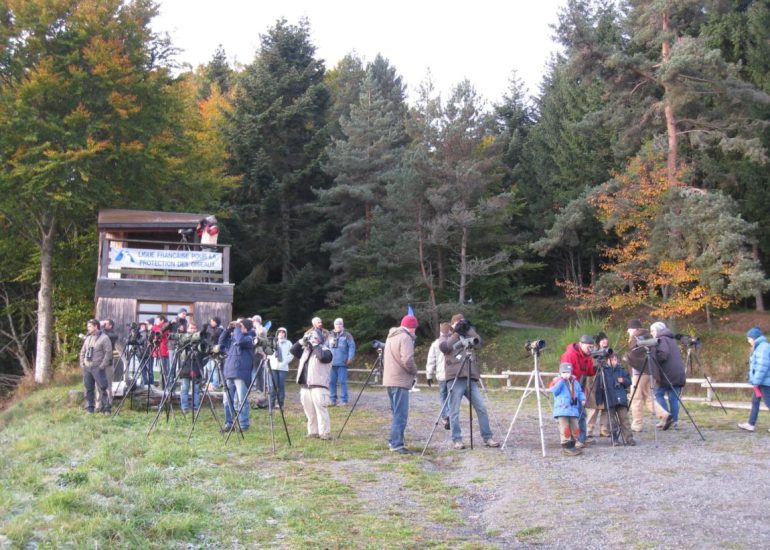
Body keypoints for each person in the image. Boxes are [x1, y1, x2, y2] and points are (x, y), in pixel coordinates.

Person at [440, 314, 500, 450]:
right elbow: (445, 348)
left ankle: (487, 437)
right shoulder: (446, 335)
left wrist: (468, 329)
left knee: (482, 408)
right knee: (454, 411)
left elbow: (480, 343)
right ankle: (457, 439)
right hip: (455, 377)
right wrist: (456, 333)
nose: (461, 324)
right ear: (453, 324)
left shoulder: (468, 334)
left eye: (463, 322)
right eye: (459, 323)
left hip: (470, 376)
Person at [383, 314, 419, 454]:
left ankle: (394, 440)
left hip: (389, 379)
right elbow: (408, 360)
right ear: (411, 328)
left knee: (396, 412)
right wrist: (415, 371)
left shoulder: (391, 336)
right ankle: (396, 444)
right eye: (415, 328)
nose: (415, 331)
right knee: (401, 414)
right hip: (400, 380)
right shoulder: (405, 338)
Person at [291, 325, 333, 440]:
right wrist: (301, 341)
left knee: (321, 411)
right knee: (309, 412)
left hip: (319, 386)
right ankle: (313, 432)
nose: (311, 338)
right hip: (305, 386)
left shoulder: (326, 351)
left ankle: (324, 433)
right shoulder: (306, 351)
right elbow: (293, 350)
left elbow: (323, 358)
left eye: (314, 336)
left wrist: (315, 344)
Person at [623, 319, 666, 432]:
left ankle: (637, 424)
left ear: (635, 329)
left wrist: (627, 357)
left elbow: (635, 354)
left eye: (630, 328)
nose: (628, 331)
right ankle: (665, 415)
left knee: (636, 398)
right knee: (648, 398)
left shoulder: (637, 337)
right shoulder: (647, 336)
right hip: (650, 372)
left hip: (639, 373)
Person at [219, 318, 256, 432]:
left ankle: (243, 424)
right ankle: (229, 424)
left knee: (242, 400)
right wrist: (227, 329)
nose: (238, 328)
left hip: (241, 373)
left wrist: (237, 328)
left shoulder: (250, 338)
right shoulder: (233, 338)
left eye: (241, 326)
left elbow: (240, 340)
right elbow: (221, 341)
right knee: (227, 401)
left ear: (246, 328)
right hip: (229, 372)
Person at [559, 335, 596, 448]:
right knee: (575, 414)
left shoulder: (587, 356)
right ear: (581, 344)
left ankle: (581, 437)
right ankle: (576, 439)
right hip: (569, 388)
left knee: (581, 414)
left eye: (592, 347)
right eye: (589, 346)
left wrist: (596, 366)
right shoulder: (570, 355)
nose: (590, 349)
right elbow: (564, 373)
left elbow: (590, 372)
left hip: (580, 387)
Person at [594, 353, 636, 446]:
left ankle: (629, 439)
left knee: (624, 419)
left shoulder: (622, 370)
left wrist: (623, 380)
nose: (614, 361)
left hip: (621, 399)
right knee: (611, 421)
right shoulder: (603, 371)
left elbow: (629, 381)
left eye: (615, 360)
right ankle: (615, 439)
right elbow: (599, 387)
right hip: (609, 399)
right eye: (612, 359)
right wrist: (599, 400)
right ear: (607, 360)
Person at [548, 362, 587, 456]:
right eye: (564, 372)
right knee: (565, 429)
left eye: (568, 372)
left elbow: (579, 391)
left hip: (573, 410)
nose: (566, 374)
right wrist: (561, 380)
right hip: (562, 410)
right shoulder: (557, 381)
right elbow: (554, 391)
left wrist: (583, 399)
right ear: (560, 373)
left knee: (575, 428)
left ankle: (572, 445)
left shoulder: (575, 382)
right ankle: (566, 447)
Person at [650, 321, 682, 430]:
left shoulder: (662, 339)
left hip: (668, 373)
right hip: (677, 373)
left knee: (658, 393)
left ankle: (666, 417)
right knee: (673, 397)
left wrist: (654, 359)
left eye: (652, 331)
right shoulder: (671, 339)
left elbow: (663, 354)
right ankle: (675, 421)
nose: (651, 333)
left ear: (658, 330)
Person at [738, 327, 770, 432]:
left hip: (765, 382)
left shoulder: (763, 347)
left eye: (749, 338)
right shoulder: (759, 346)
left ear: (754, 338)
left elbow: (762, 366)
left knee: (768, 402)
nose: (748, 341)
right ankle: (751, 424)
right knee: (755, 401)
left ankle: (751, 424)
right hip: (760, 381)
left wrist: (756, 381)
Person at [79, 318, 113, 413]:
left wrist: (102, 366)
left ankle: (106, 409)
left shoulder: (104, 338)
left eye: (89, 326)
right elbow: (82, 352)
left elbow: (108, 353)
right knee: (88, 388)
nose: (88, 328)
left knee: (103, 388)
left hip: (98, 367)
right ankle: (90, 409)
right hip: (87, 367)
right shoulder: (88, 338)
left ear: (96, 326)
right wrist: (82, 363)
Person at [585, 332, 612, 439]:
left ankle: (604, 429)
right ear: (598, 342)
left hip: (607, 381)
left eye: (606, 339)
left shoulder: (610, 352)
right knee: (594, 408)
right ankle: (589, 429)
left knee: (606, 407)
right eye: (602, 340)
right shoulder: (593, 352)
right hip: (594, 382)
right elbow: (590, 366)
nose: (605, 341)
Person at [425, 322, 452, 430]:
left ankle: (445, 416)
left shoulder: (435, 343)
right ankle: (449, 414)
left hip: (441, 375)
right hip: (452, 374)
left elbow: (431, 360)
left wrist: (429, 375)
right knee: (451, 396)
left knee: (443, 396)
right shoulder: (454, 342)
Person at [329, 318, 356, 406]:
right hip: (331, 363)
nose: (339, 325)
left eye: (340, 324)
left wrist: (350, 358)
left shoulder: (347, 335)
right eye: (337, 324)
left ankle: (344, 400)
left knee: (342, 382)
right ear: (334, 325)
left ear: (342, 325)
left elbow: (352, 347)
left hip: (343, 363)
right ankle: (332, 399)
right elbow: (325, 347)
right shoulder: (329, 335)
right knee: (331, 382)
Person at [178, 322, 203, 415]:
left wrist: (201, 365)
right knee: (184, 388)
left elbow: (204, 354)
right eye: (191, 328)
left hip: (196, 367)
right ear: (188, 329)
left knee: (196, 390)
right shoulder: (184, 339)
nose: (193, 330)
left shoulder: (200, 339)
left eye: (194, 328)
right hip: (185, 367)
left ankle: (195, 407)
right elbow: (180, 353)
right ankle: (184, 407)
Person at [268, 327, 294, 409]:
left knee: (281, 386)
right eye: (280, 332)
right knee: (273, 386)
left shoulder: (288, 343)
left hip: (283, 368)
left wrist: (284, 362)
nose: (281, 334)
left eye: (283, 332)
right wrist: (271, 359)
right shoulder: (273, 342)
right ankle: (271, 404)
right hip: (273, 367)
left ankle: (280, 403)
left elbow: (291, 354)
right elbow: (268, 352)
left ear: (285, 334)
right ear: (277, 333)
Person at [95, 318, 118, 411]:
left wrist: (101, 327)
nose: (104, 325)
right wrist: (97, 326)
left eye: (106, 324)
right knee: (98, 385)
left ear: (110, 326)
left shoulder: (113, 335)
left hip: (108, 363)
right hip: (98, 362)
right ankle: (98, 405)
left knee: (108, 385)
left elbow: (106, 337)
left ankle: (108, 405)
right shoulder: (99, 333)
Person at [150, 315, 171, 387]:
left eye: (157, 320)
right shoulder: (158, 327)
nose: (156, 322)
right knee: (162, 369)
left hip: (164, 350)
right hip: (160, 350)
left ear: (162, 320)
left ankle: (165, 385)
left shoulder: (165, 327)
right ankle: (163, 385)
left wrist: (152, 327)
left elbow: (160, 332)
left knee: (165, 369)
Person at [204, 316, 224, 390]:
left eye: (212, 321)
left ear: (216, 322)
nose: (210, 322)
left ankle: (215, 384)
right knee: (208, 368)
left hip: (215, 351)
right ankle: (210, 383)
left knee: (214, 368)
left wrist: (210, 328)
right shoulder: (210, 328)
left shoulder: (220, 329)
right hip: (208, 350)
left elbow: (213, 336)